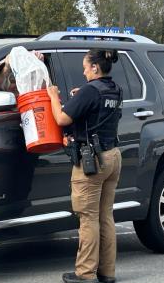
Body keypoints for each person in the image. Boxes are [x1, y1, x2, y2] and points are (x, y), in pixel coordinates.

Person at [47, 49, 123, 283]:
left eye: (85, 66)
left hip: (91, 161)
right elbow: (99, 110)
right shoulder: (114, 89)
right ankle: (107, 272)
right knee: (105, 216)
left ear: (95, 68)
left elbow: (62, 119)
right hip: (112, 156)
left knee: (88, 218)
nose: (83, 70)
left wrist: (53, 96)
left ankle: (85, 274)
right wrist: (82, 96)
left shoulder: (91, 90)